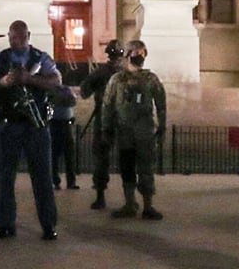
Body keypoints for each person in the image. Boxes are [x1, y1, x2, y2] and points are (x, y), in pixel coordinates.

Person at [0, 20, 60, 240]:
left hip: (36, 125)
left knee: (43, 178)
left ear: (28, 35)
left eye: (21, 37)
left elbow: (55, 80)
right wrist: (3, 82)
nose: (17, 41)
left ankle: (49, 225)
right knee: (5, 178)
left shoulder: (40, 58)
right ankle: (5, 223)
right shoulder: (0, 59)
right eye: (13, 37)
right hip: (9, 123)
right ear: (8, 37)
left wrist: (30, 79)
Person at [101, 38, 167, 220]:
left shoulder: (150, 79)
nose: (140, 56)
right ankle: (129, 203)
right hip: (125, 132)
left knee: (146, 168)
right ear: (128, 55)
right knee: (127, 167)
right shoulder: (117, 79)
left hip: (145, 131)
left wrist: (162, 126)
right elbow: (107, 105)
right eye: (136, 53)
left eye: (142, 53)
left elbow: (161, 104)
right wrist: (106, 128)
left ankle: (148, 205)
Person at [79, 39, 124, 209]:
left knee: (103, 159)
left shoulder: (102, 72)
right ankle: (124, 198)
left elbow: (84, 90)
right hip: (116, 119)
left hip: (109, 119)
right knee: (111, 159)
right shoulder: (123, 72)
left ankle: (101, 196)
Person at [49, 84, 79, 190]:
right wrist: (61, 100)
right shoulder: (50, 91)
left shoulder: (67, 90)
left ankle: (71, 182)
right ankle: (55, 181)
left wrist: (59, 100)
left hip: (67, 123)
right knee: (54, 154)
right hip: (54, 123)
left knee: (70, 154)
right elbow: (50, 106)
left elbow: (72, 102)